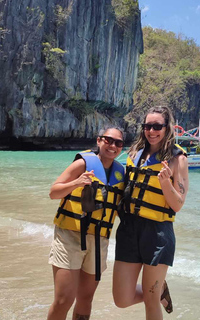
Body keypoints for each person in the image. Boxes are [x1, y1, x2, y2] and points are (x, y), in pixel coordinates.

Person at [112, 106, 189, 320]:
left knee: (151, 300)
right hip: (128, 230)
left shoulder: (177, 159)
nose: (151, 131)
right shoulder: (135, 153)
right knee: (121, 299)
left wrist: (165, 184)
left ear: (167, 128)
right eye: (147, 126)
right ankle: (159, 290)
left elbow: (178, 204)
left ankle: (155, 292)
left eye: (157, 126)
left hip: (157, 234)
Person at [47, 127, 125, 320]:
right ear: (99, 141)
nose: (113, 146)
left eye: (118, 143)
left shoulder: (120, 174)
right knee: (64, 299)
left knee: (85, 299)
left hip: (98, 241)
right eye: (108, 140)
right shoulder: (83, 164)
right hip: (70, 237)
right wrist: (76, 183)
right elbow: (53, 192)